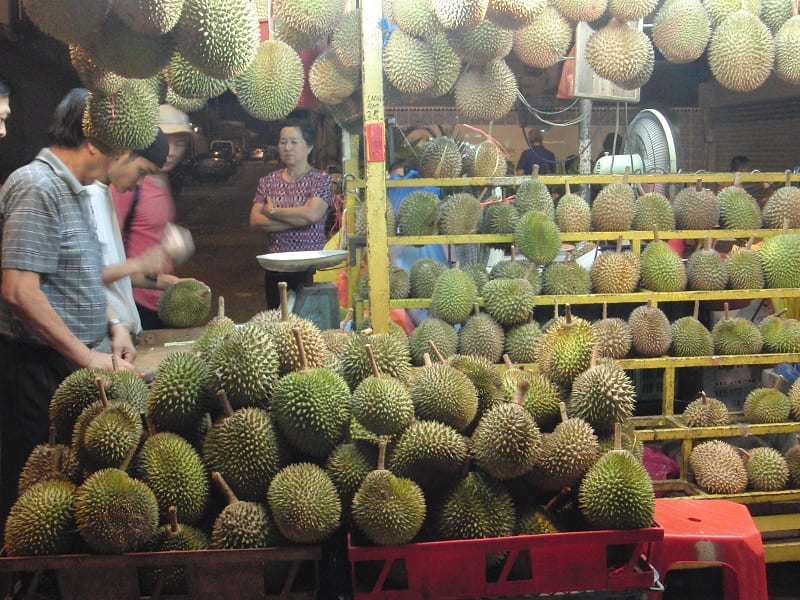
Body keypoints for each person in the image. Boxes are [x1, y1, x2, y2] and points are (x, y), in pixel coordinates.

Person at [0, 88, 136, 538]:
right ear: (93, 141)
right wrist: (84, 355)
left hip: (73, 364)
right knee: (45, 490)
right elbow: (20, 290)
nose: (123, 159)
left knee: (77, 493)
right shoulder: (36, 187)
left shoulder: (73, 190)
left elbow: (80, 271)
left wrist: (113, 324)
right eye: (119, 146)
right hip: (41, 369)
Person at [88, 128, 173, 350]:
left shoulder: (105, 193)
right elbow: (83, 277)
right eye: (142, 171)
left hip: (123, 337)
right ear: (123, 153)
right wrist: (138, 263)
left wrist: (171, 284)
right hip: (103, 341)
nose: (140, 183)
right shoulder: (86, 197)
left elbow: (113, 272)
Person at [113, 104, 192, 329]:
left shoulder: (161, 179)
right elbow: (104, 256)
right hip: (134, 302)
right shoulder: (126, 184)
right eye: (166, 140)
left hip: (160, 297)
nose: (173, 150)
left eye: (181, 143)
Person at [249, 118, 333, 309]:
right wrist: (300, 219)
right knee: (279, 328)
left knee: (311, 329)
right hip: (276, 269)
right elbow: (255, 219)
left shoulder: (321, 180)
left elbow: (312, 214)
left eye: (294, 142)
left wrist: (272, 211)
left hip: (310, 269)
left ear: (309, 146)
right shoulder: (268, 181)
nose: (287, 148)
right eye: (283, 142)